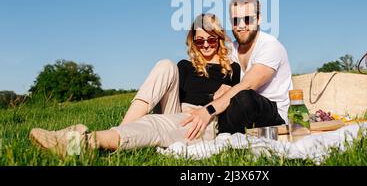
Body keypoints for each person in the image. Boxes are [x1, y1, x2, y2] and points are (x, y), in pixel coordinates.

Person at [29, 13, 240, 156]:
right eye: (199, 40)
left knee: (154, 124)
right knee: (165, 65)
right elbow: (173, 99)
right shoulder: (185, 66)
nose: (205, 45)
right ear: (193, 41)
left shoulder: (231, 69)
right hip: (178, 112)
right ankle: (120, 131)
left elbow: (237, 105)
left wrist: (224, 95)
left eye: (211, 40)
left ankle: (79, 145)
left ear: (220, 39)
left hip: (204, 120)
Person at [183, 0, 292, 136]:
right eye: (235, 21)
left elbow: (247, 85)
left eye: (247, 19)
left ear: (258, 19)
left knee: (245, 97)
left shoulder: (270, 46)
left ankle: (221, 133)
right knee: (231, 100)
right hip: (238, 111)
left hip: (271, 114)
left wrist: (208, 110)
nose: (241, 26)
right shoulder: (230, 51)